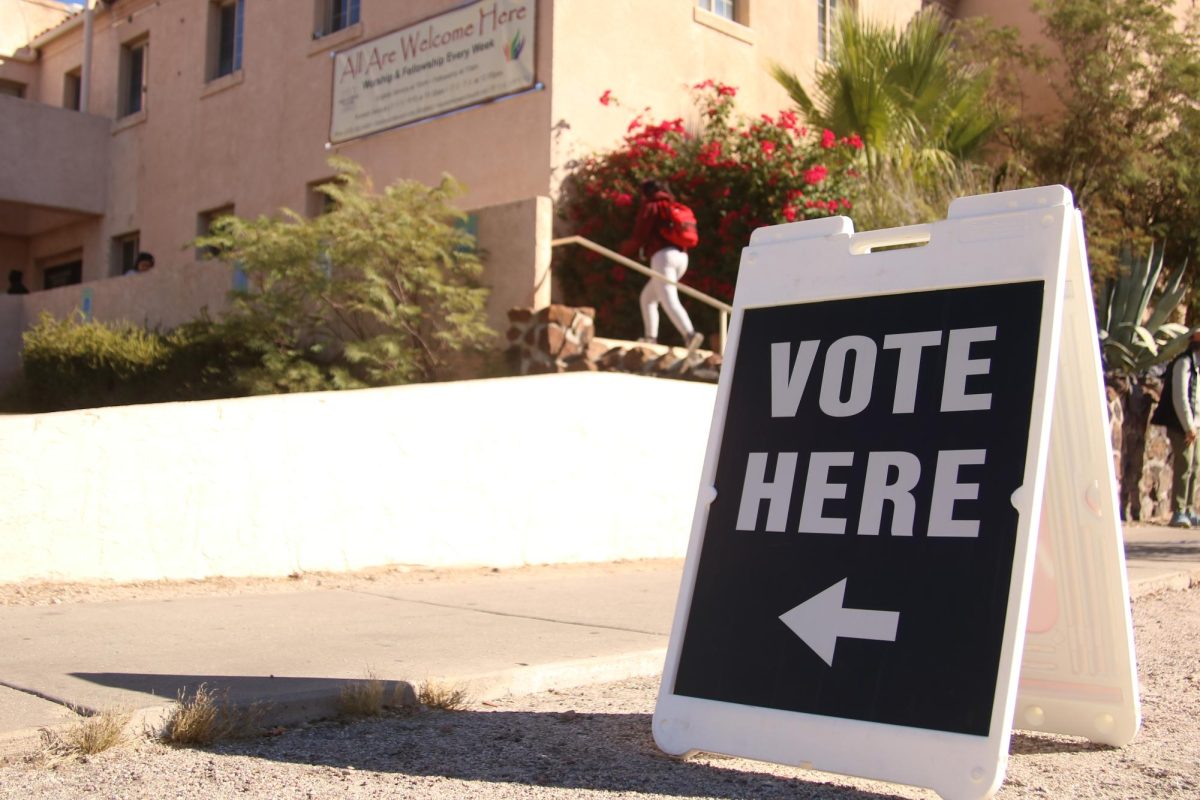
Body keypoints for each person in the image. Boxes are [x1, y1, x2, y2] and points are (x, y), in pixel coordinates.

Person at [621, 180, 704, 353]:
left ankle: (690, 334)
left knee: (669, 299)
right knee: (648, 298)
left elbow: (640, 234)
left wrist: (624, 251)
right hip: (682, 257)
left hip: (663, 257)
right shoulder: (673, 205)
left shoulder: (653, 206)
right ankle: (650, 338)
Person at [1151, 328, 1200, 527]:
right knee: (1184, 465)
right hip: (1181, 425)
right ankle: (1178, 511)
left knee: (1195, 466)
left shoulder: (1196, 366)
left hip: (1195, 425)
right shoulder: (1184, 364)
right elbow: (1181, 398)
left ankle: (1189, 509)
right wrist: (1188, 426)